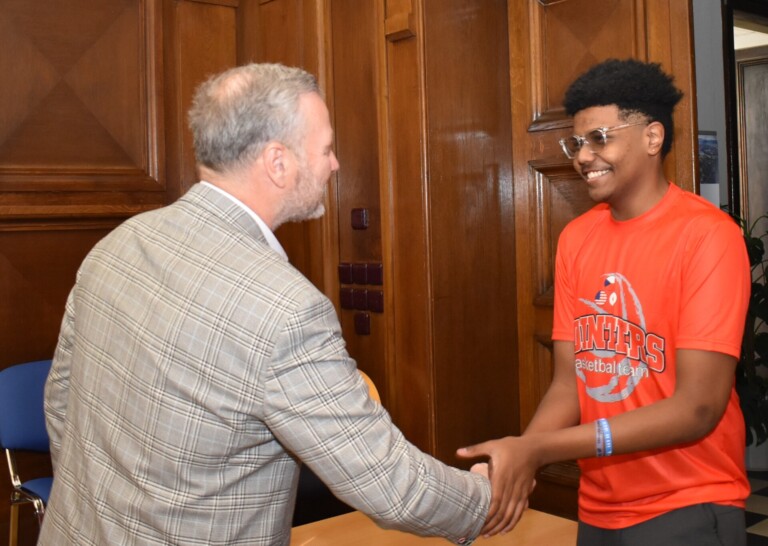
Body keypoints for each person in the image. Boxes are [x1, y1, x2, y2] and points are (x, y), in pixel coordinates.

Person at [39, 63, 495, 546]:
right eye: (325, 149)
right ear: (278, 163)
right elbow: (391, 487)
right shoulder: (286, 309)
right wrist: (486, 496)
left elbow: (60, 403)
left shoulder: (119, 243)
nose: (334, 165)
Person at [459, 58, 751, 545]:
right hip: (598, 506)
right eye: (576, 142)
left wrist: (540, 449)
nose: (583, 156)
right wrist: (521, 457)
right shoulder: (577, 238)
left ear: (652, 138)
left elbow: (698, 407)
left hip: (688, 502)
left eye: (601, 138)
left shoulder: (708, 236)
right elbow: (569, 385)